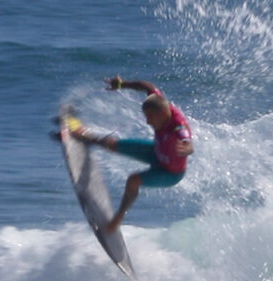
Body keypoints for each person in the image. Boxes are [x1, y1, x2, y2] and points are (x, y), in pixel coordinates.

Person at [67, 76, 193, 233]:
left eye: (150, 117)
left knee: (133, 180)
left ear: (161, 113)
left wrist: (186, 149)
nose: (147, 122)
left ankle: (118, 217)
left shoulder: (179, 128)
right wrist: (121, 84)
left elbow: (188, 143)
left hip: (170, 173)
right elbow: (148, 85)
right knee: (113, 144)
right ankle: (83, 136)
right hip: (156, 151)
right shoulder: (158, 103)